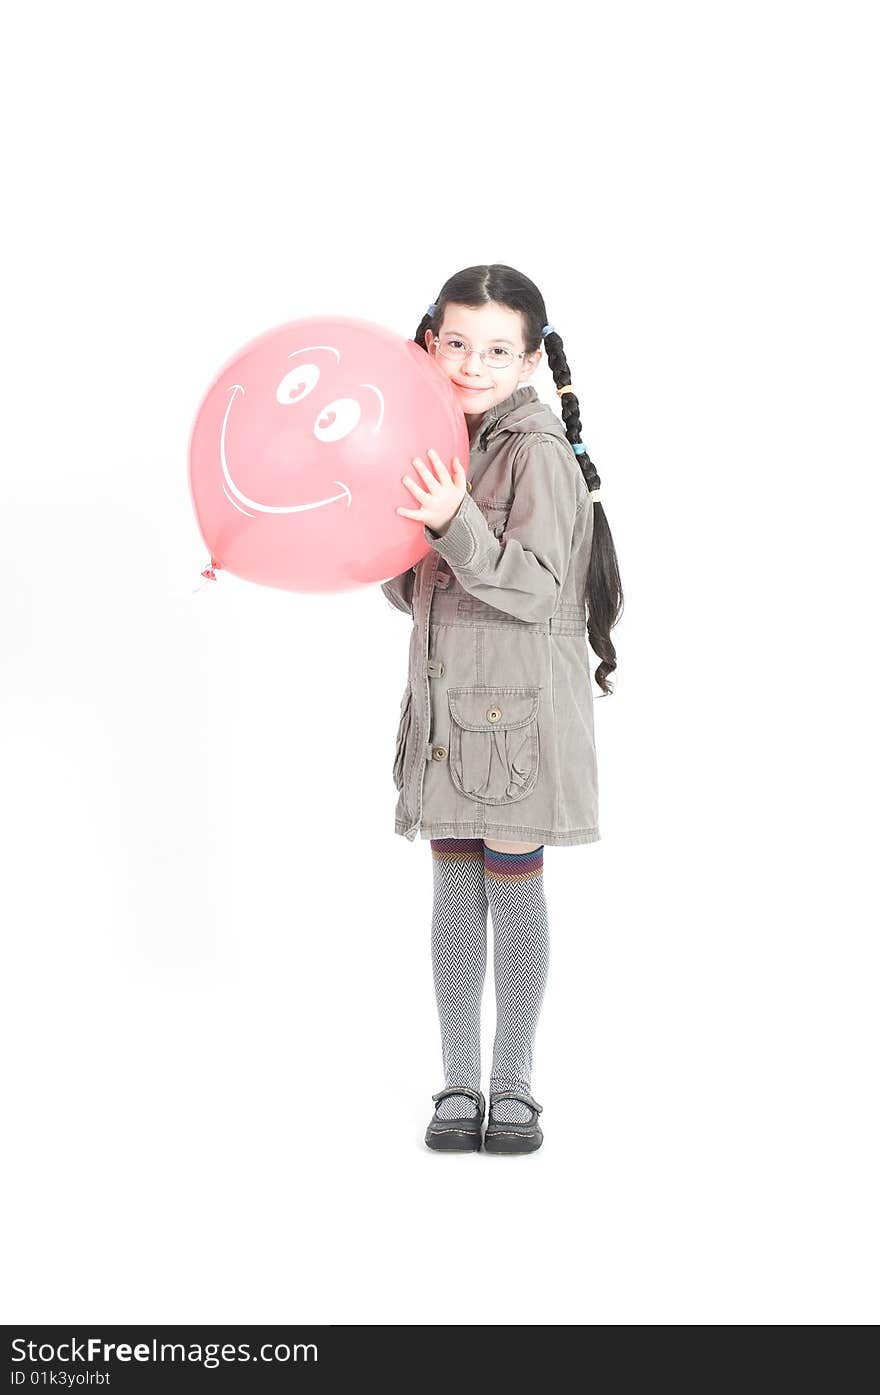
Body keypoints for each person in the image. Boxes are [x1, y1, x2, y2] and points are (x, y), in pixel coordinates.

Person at [380, 263, 623, 1154]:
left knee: (513, 893)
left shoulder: (538, 452)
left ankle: (513, 1083)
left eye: (495, 349)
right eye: (456, 343)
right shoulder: (435, 440)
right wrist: (391, 537)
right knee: (452, 892)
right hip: (450, 709)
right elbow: (422, 597)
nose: (472, 363)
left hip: (515, 719)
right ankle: (456, 1082)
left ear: (528, 362)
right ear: (429, 343)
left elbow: (538, 585)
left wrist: (454, 520)